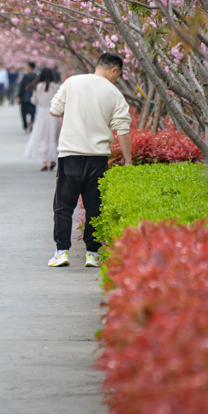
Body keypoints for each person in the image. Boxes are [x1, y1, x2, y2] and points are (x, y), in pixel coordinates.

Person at [48, 53, 132, 268]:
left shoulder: (72, 82)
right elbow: (122, 130)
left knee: (63, 206)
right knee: (94, 207)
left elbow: (54, 111)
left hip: (70, 155)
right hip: (98, 158)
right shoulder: (114, 93)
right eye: (118, 75)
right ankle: (92, 254)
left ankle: (61, 252)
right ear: (114, 70)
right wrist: (128, 161)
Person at [23, 68, 61, 172]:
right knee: (53, 137)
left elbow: (34, 100)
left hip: (42, 115)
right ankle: (53, 160)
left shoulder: (38, 87)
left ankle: (44, 162)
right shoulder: (56, 87)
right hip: (54, 114)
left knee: (42, 137)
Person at [17, 61, 38, 132]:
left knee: (23, 112)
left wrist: (19, 96)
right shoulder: (36, 76)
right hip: (33, 97)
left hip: (25, 97)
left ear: (29, 67)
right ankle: (32, 122)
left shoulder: (25, 76)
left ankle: (25, 125)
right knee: (33, 112)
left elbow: (22, 87)